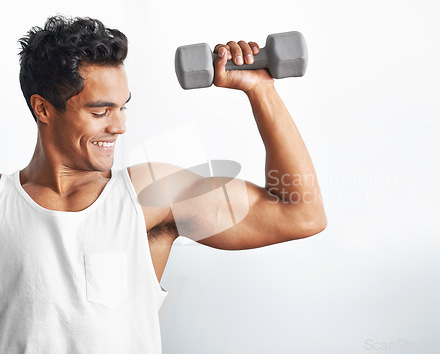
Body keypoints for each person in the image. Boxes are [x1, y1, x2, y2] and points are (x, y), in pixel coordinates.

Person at [0, 15, 327, 353]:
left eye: (122, 107)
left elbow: (301, 214)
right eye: (101, 112)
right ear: (42, 109)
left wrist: (261, 90)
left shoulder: (149, 196)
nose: (120, 127)